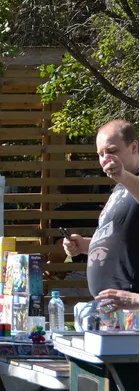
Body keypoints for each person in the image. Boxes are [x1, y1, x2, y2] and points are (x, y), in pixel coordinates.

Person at [63, 119, 140, 309]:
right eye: (100, 154)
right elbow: (123, 242)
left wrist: (136, 300)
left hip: (133, 310)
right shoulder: (121, 187)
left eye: (112, 151)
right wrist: (86, 245)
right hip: (114, 311)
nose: (106, 159)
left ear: (134, 147)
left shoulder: (130, 182)